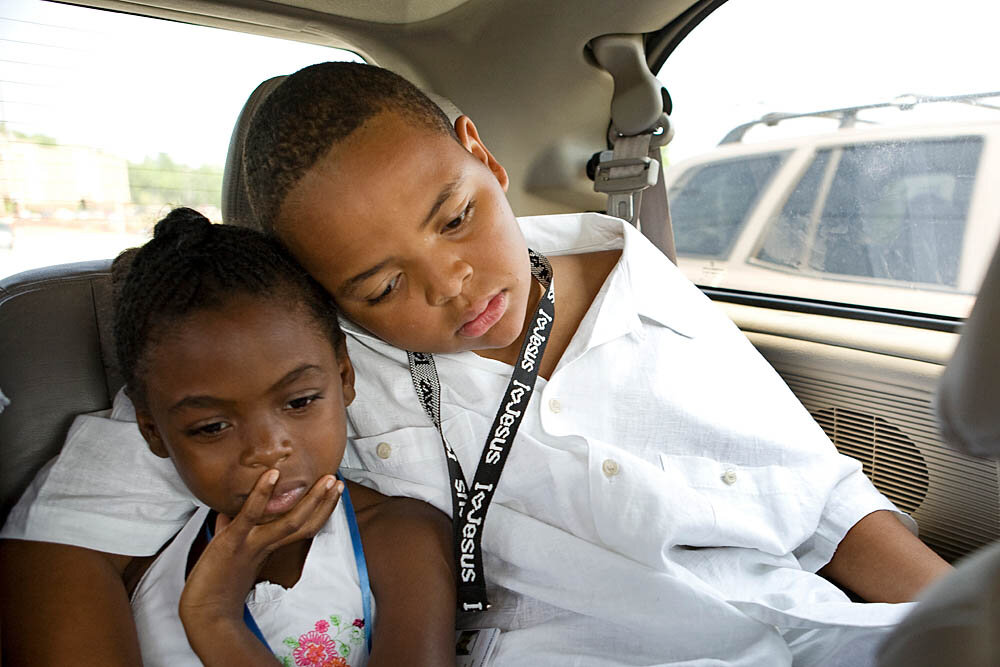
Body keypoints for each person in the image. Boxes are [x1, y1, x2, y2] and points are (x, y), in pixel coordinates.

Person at [1, 63, 951, 666]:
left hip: (815, 630)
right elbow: (67, 545)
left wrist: (953, 618)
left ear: (482, 155)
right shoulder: (298, 376)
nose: (454, 286)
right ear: (322, 302)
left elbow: (827, 506)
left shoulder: (639, 276)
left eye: (455, 217)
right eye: (379, 287)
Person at [81, 207, 456, 665]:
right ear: (153, 432)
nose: (266, 449)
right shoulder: (144, 566)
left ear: (343, 376)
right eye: (212, 428)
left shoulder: (401, 541)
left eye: (299, 402)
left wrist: (214, 619)